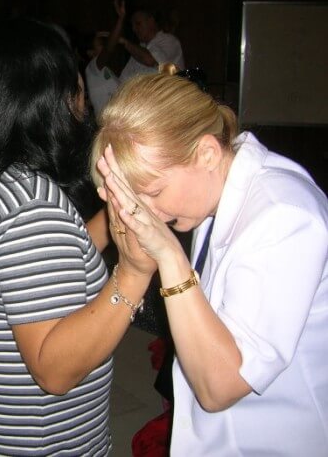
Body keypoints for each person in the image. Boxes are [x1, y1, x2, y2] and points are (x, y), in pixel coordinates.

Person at [0, 18, 153, 456]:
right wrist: (132, 275)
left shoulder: (1, 181)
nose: (82, 95)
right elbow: (55, 372)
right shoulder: (31, 209)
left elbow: (55, 260)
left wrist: (114, 215)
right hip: (38, 444)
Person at [92, 71, 328, 455]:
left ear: (207, 153)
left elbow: (220, 388)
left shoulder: (283, 215)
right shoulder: (216, 192)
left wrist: (170, 256)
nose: (146, 213)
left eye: (154, 191)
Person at [102, 0, 184, 82]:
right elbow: (122, 81)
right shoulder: (140, 49)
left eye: (138, 24)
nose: (134, 29)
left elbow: (150, 60)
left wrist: (125, 42)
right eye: (132, 26)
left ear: (151, 21)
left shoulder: (170, 41)